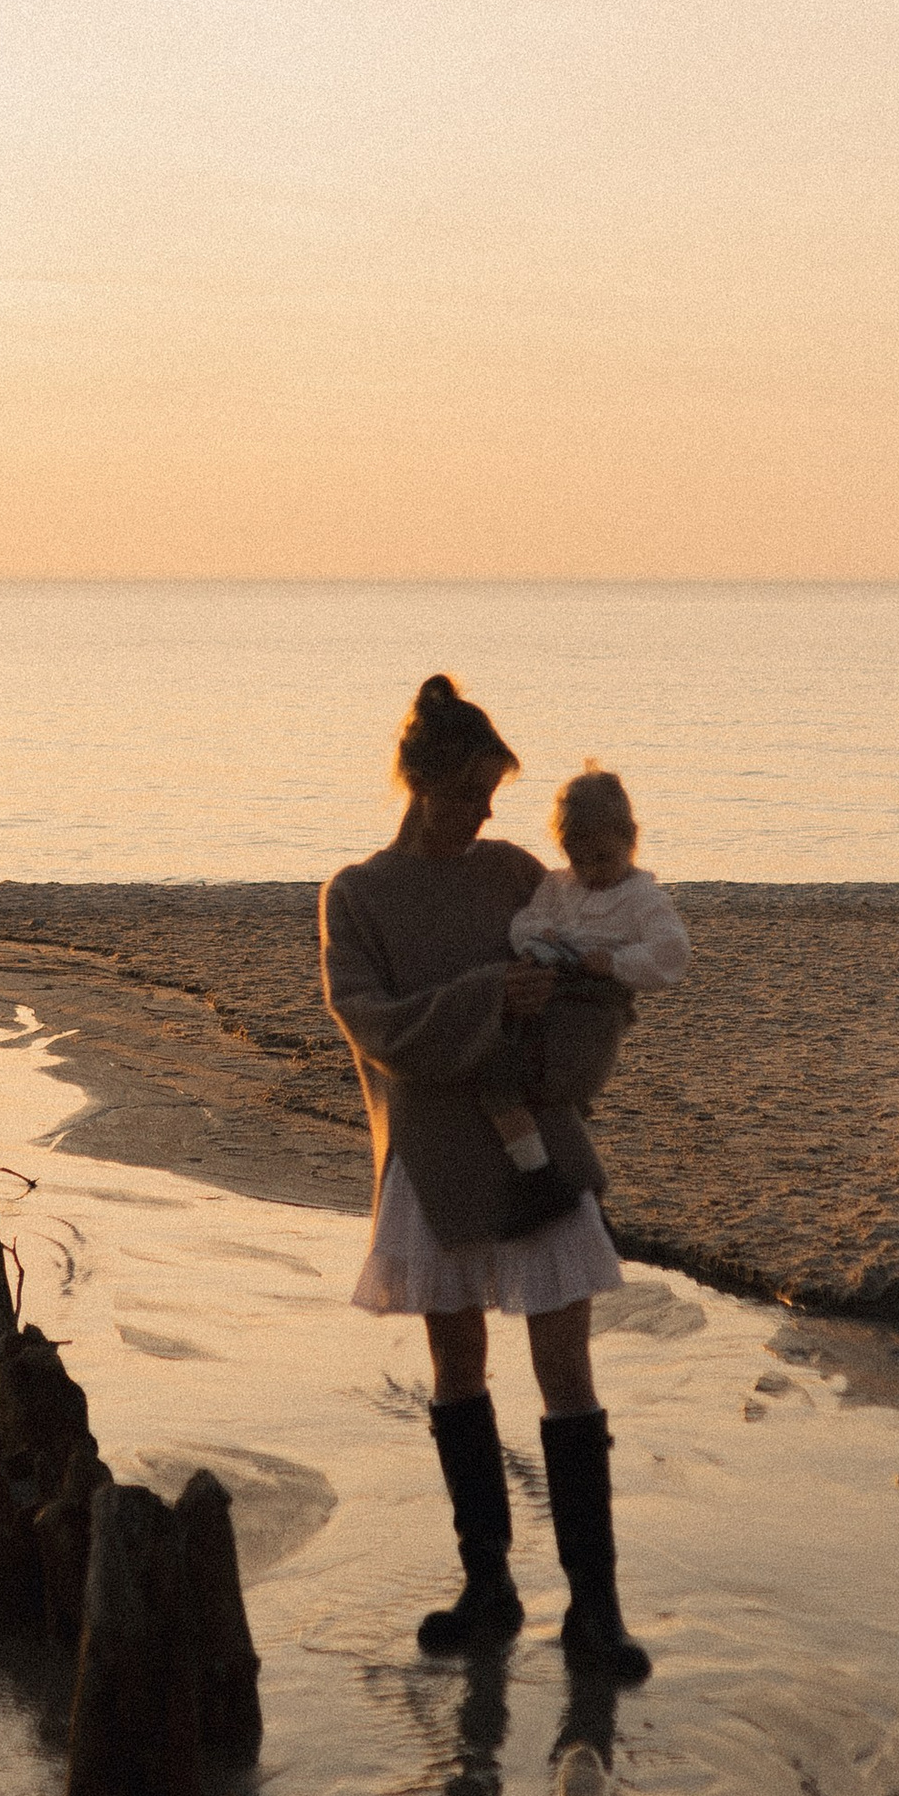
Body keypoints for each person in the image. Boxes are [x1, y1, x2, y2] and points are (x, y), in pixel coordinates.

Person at [321, 675, 652, 1680]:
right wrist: (484, 999)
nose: (486, 815)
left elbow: (598, 956)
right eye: (470, 793)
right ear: (418, 785)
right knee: (458, 1373)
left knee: (566, 1372)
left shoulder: (514, 872)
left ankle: (594, 1611)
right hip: (431, 1160)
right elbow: (374, 1027)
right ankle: (488, 1585)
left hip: (536, 1149)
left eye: (492, 795)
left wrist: (568, 1021)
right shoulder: (357, 894)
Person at [479, 765, 689, 1228]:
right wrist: (541, 938)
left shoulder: (641, 898)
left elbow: (672, 955)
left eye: (603, 858)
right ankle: (539, 1176)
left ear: (629, 839)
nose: (592, 872)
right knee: (493, 1078)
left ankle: (561, 1185)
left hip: (593, 1017)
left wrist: (613, 963)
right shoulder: (559, 887)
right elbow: (524, 924)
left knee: (532, 1085)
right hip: (545, 1007)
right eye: (580, 859)